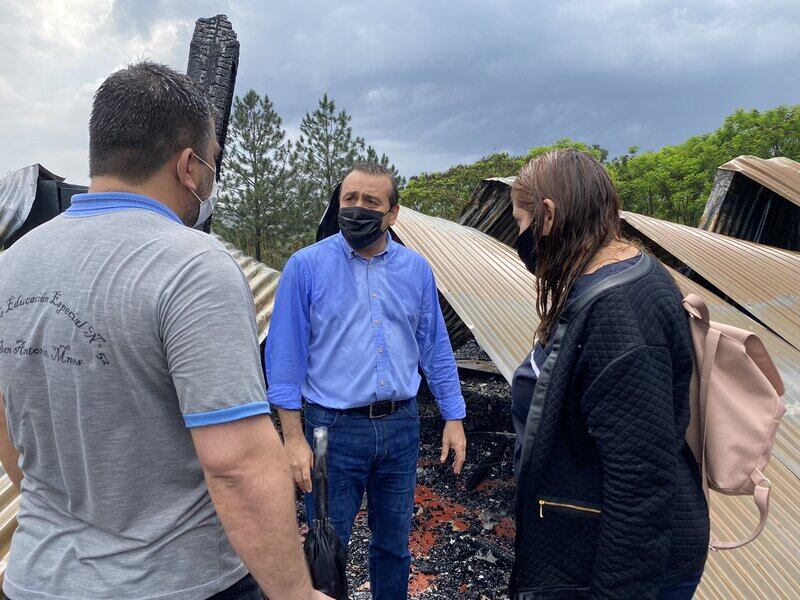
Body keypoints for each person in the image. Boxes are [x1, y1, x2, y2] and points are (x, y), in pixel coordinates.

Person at [0, 61, 329, 600]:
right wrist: (295, 592)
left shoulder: (11, 266)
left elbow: (9, 434)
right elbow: (236, 464)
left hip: (38, 578)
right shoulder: (192, 266)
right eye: (213, 164)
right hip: (176, 583)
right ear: (188, 167)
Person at [508, 149, 709, 599]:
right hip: (587, 537)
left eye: (520, 223)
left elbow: (640, 484)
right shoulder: (616, 276)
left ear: (548, 214)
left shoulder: (619, 312)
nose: (520, 238)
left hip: (617, 565)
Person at [265, 161, 468, 599]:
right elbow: (285, 361)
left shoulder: (416, 271)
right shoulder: (306, 267)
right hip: (332, 429)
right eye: (349, 200)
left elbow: (435, 349)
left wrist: (454, 417)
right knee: (326, 547)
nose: (357, 208)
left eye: (370, 201)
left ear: (393, 214)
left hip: (401, 426)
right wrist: (292, 439)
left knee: (394, 545)